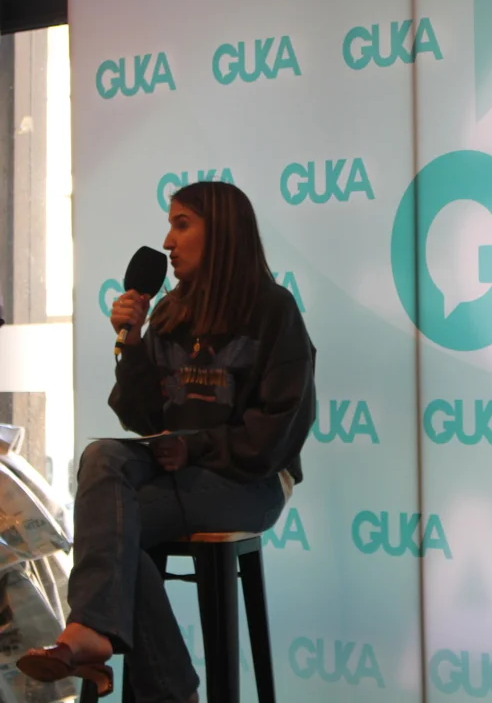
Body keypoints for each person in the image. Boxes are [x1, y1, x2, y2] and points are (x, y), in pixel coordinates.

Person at [16, 181, 317, 702]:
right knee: (102, 458)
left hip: (250, 480)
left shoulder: (273, 310)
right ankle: (101, 640)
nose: (167, 242)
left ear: (221, 233)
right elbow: (143, 417)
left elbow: (277, 433)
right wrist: (132, 344)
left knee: (114, 529)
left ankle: (140, 670)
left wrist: (195, 448)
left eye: (182, 225)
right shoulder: (170, 311)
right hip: (176, 470)